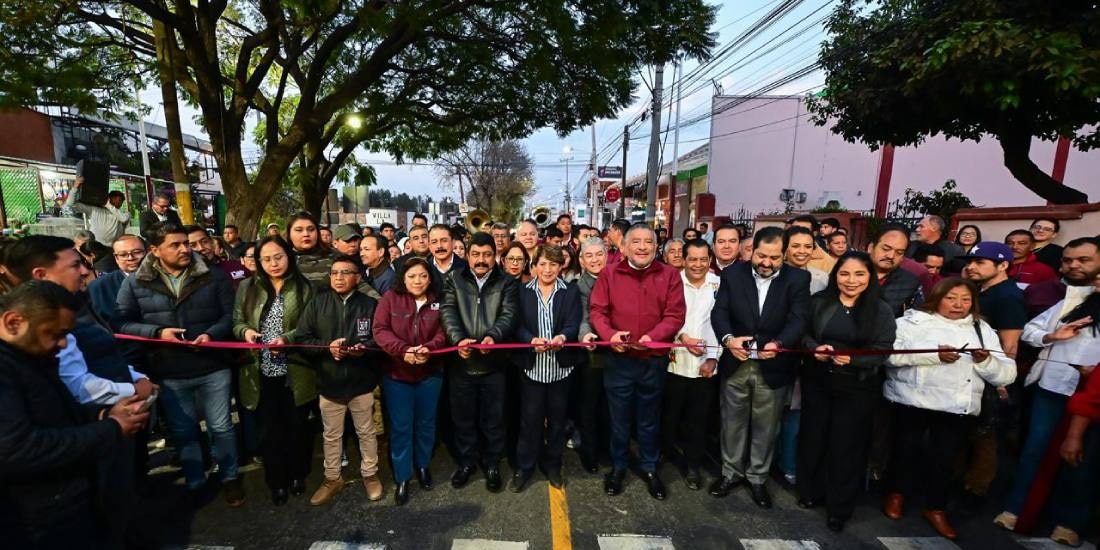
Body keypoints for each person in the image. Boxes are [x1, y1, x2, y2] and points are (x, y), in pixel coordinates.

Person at [0, 281, 149, 549]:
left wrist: (102, 415)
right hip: (36, 519)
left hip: (63, 503)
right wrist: (112, 428)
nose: (62, 344)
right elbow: (17, 448)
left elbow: (54, 412)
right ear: (13, 322)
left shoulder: (30, 357)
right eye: (55, 334)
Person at [113, 222, 242, 503]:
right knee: (184, 430)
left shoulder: (213, 275)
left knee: (221, 426)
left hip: (213, 365)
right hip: (168, 369)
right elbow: (121, 322)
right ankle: (195, 480)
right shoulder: (135, 282)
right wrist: (157, 333)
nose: (186, 249)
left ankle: (230, 477)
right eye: (176, 244)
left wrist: (211, 334)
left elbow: (230, 315)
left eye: (186, 243)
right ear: (155, 250)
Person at [883, 278, 1015, 540]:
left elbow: (1007, 374)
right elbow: (889, 356)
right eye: (951, 298)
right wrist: (934, 355)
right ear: (938, 297)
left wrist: (985, 360)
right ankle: (896, 494)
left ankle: (935, 506)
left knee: (945, 458)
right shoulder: (911, 322)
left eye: (965, 299)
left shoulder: (982, 329)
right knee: (904, 450)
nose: (958, 305)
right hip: (912, 399)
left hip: (957, 405)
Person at [993, 273, 1100, 546]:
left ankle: (1069, 521)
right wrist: (1052, 335)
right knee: (1035, 450)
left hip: (1094, 394)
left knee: (1082, 459)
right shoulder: (1074, 301)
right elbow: (1029, 331)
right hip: (1053, 386)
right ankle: (1019, 509)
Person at [709, 226, 810, 508]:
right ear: (752, 251)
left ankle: (757, 478)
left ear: (785, 255)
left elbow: (799, 319)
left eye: (774, 258)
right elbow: (720, 312)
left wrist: (779, 343)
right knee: (732, 423)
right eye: (761, 255)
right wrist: (728, 340)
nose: (766, 263)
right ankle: (730, 473)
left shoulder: (798, 279)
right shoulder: (733, 274)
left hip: (773, 366)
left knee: (766, 428)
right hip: (737, 363)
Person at [797, 252, 895, 532]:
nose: (851, 281)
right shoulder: (819, 302)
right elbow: (802, 334)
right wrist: (814, 347)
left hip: (857, 387)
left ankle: (839, 508)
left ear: (870, 277)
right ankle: (810, 492)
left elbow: (883, 350)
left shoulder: (880, 310)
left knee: (846, 446)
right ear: (835, 275)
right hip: (818, 382)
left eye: (859, 274)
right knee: (814, 437)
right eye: (845, 274)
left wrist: (853, 359)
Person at [590, 223, 686, 500]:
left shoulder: (669, 275)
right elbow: (597, 311)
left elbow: (675, 315)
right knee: (618, 420)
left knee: (649, 419)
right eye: (637, 242)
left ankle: (649, 467)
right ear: (624, 247)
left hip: (652, 361)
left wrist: (652, 337)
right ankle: (618, 466)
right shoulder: (609, 274)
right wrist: (610, 336)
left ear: (657, 248)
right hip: (618, 360)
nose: (642, 247)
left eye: (648, 242)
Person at [232, 236, 316, 506]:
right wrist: (245, 331)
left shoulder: (304, 287)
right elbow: (236, 321)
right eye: (266, 259)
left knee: (297, 427)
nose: (273, 263)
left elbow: (310, 326)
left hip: (296, 369)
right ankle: (276, 481)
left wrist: (288, 339)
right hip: (260, 370)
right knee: (270, 431)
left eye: (278, 257)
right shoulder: (247, 287)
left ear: (288, 256)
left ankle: (297, 474)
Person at [296, 255, 384, 506]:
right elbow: (302, 339)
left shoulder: (370, 304)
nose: (339, 277)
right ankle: (332, 478)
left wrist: (364, 348)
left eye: (346, 273)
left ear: (358, 277)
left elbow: (380, 339)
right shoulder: (317, 304)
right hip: (329, 383)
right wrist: (327, 348)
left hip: (362, 382)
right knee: (331, 436)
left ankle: (370, 474)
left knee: (366, 432)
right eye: (334, 273)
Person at [439, 232, 519, 492]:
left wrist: (493, 336)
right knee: (463, 418)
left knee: (493, 418)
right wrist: (457, 339)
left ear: (494, 256)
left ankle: (492, 463)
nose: (481, 260)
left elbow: (509, 314)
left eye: (487, 254)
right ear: (467, 255)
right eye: (476, 254)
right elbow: (448, 311)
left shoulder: (507, 282)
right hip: (461, 363)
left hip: (493, 362)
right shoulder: (453, 279)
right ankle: (466, 462)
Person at [958, 241, 1027, 509]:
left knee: (984, 436)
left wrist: (1000, 383)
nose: (971, 267)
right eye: (971, 262)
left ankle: (976, 491)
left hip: (991, 376)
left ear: (1003, 266)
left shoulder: (1007, 297)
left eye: (980, 263)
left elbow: (1009, 346)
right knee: (968, 432)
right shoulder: (981, 291)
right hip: (971, 371)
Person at [373, 258, 448, 505]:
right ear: (403, 278)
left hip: (430, 373)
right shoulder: (390, 299)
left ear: (430, 278)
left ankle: (423, 465)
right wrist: (403, 349)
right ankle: (403, 476)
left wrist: (428, 348)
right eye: (412, 276)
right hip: (397, 374)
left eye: (423, 276)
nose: (418, 281)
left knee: (426, 423)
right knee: (401, 427)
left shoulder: (438, 300)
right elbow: (380, 330)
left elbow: (444, 331)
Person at [510, 245, 583, 492]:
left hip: (560, 369)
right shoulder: (522, 292)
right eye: (543, 264)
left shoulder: (570, 292)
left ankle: (553, 464)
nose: (548, 269)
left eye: (553, 264)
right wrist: (530, 340)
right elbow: (516, 325)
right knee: (529, 421)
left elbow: (574, 322)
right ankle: (525, 466)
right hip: (532, 369)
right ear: (534, 266)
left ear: (561, 266)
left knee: (557, 421)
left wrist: (563, 336)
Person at [663, 238, 720, 491]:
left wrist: (713, 358)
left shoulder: (720, 285)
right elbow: (665, 316)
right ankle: (663, 456)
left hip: (705, 366)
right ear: (683, 260)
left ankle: (693, 466)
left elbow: (724, 323)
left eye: (703, 260)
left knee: (699, 420)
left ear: (710, 260)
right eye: (692, 259)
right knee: (669, 416)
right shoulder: (671, 282)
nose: (697, 265)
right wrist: (682, 337)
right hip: (673, 363)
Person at [574, 237, 610, 474]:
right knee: (588, 405)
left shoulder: (617, 279)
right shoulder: (578, 286)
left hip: (618, 353)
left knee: (610, 406)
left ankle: (608, 448)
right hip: (591, 354)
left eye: (599, 254)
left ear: (607, 256)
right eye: (589, 256)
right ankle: (589, 451)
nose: (595, 260)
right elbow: (583, 317)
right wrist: (586, 336)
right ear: (581, 260)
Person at [87, 235, 146, 321]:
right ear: (116, 258)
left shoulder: (163, 279)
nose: (130, 258)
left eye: (137, 252)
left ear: (148, 252)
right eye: (123, 255)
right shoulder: (99, 287)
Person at [65, 176, 130, 244]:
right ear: (109, 199)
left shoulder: (125, 214)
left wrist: (108, 205)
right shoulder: (95, 210)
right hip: (96, 246)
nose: (118, 203)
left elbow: (124, 219)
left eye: (120, 201)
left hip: (114, 247)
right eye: (116, 200)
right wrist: (75, 187)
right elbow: (70, 204)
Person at [185, 225, 249, 289]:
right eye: (193, 245)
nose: (201, 248)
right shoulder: (185, 279)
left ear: (212, 242)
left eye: (204, 242)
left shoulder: (236, 266)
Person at [285, 212, 334, 288]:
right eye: (299, 230)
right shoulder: (282, 260)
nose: (306, 234)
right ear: (289, 234)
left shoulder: (336, 257)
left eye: (311, 229)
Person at [785, 226, 828, 294]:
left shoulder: (822, 278)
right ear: (784, 248)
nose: (802, 251)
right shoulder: (772, 276)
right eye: (795, 246)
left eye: (808, 247)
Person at [427, 224, 467, 295]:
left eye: (444, 240)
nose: (439, 246)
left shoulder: (467, 268)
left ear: (453, 243)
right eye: (434, 242)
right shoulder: (424, 268)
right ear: (429, 246)